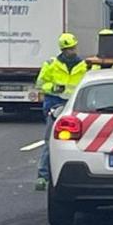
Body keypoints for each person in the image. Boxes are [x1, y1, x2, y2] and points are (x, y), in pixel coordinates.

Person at [34, 33, 88, 191]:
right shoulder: (51, 64)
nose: (73, 51)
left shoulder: (84, 65)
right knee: (50, 140)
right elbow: (40, 83)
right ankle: (43, 176)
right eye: (70, 49)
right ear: (63, 50)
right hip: (55, 103)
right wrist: (53, 88)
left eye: (73, 48)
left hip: (76, 104)